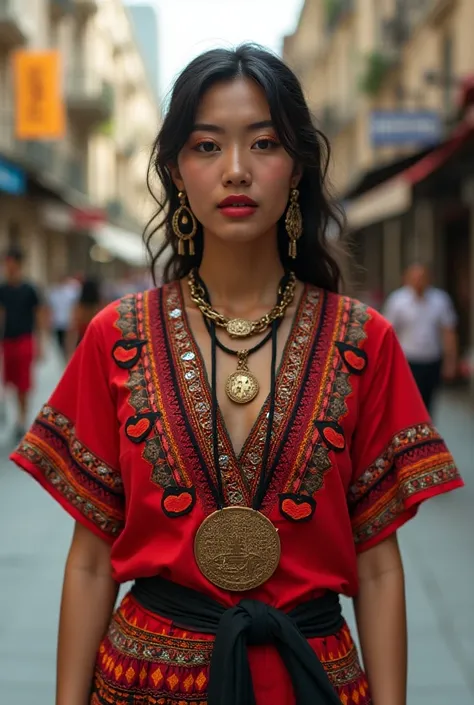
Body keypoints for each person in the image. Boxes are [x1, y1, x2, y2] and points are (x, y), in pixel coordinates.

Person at [11, 46, 463, 705]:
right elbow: (88, 559)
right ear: (175, 169)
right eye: (205, 145)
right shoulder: (117, 335)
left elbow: (379, 562)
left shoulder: (364, 339)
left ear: (298, 166)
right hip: (146, 682)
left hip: (311, 678)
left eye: (265, 143)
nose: (236, 170)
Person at [383, 264, 458, 413]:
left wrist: (451, 361)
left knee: (428, 404)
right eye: (415, 278)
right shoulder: (397, 301)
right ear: (407, 279)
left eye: (422, 278)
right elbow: (389, 332)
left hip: (432, 359)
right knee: (407, 404)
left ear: (429, 279)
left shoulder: (440, 300)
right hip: (407, 360)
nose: (418, 282)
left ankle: (426, 434)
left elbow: (448, 331)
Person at [0, 247, 43, 441]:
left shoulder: (29, 289)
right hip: (8, 340)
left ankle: (21, 419)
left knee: (23, 383)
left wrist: (40, 342)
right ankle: (12, 414)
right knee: (9, 381)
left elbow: (39, 316)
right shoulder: (2, 289)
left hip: (25, 339)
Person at [65, 277, 103, 358]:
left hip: (82, 343)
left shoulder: (79, 309)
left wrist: (69, 350)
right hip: (98, 345)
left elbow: (72, 329)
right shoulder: (100, 309)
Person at [47, 274, 81, 358]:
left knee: (70, 345)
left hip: (68, 322)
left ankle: (70, 360)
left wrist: (73, 319)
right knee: (61, 344)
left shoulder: (71, 292)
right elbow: (51, 308)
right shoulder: (54, 292)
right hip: (58, 323)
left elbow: (74, 306)